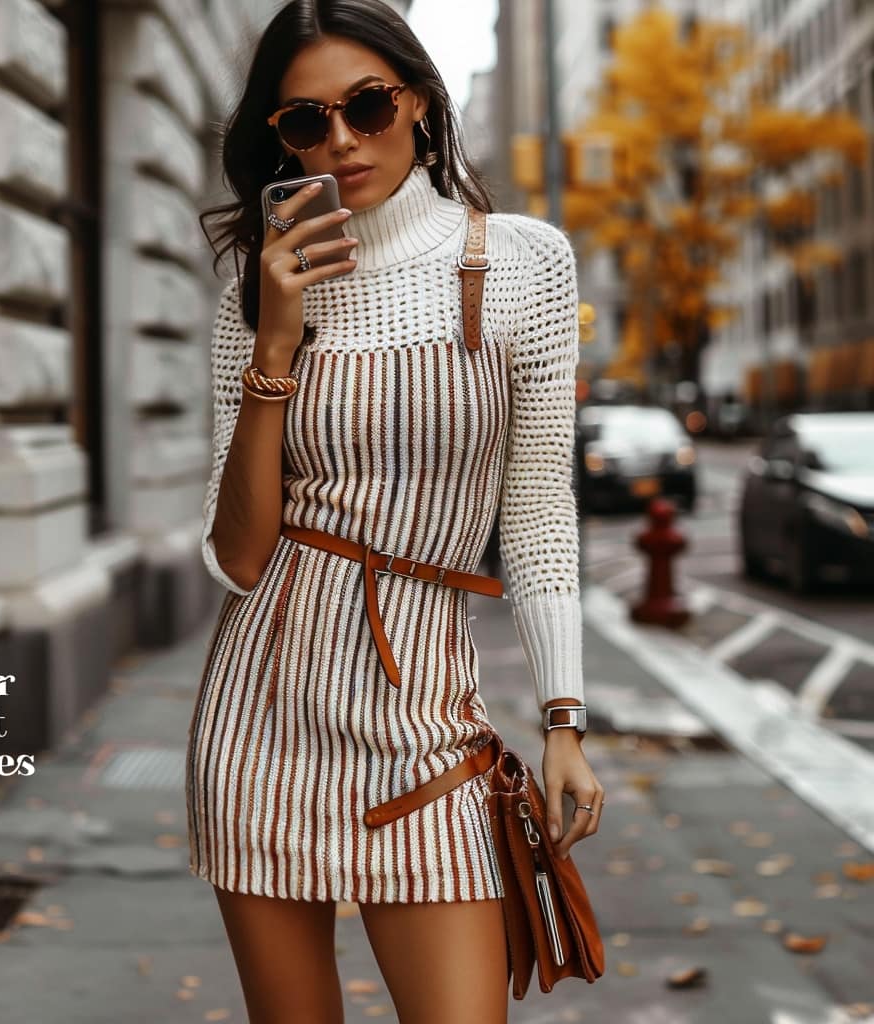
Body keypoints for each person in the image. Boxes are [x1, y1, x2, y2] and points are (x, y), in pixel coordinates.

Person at [187, 2, 605, 1021]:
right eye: (302, 122)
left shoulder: (523, 262)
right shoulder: (259, 278)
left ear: (416, 100)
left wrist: (563, 719)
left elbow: (539, 505)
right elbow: (236, 557)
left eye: (365, 106)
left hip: (429, 721)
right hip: (261, 719)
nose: (339, 140)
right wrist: (275, 344)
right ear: (277, 138)